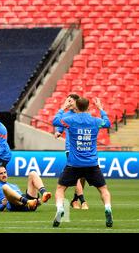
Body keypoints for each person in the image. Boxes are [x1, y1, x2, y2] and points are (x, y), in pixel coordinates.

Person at [52, 97, 113, 228]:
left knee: (60, 189)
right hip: (91, 163)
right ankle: (108, 208)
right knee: (103, 189)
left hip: (74, 164)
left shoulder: (70, 120)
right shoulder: (95, 121)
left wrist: (63, 107)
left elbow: (55, 121)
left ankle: (60, 209)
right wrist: (101, 108)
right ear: (89, 107)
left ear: (76, 107)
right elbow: (108, 123)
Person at [54, 93, 88, 210]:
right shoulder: (66, 115)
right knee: (77, 174)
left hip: (83, 148)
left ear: (76, 102)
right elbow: (60, 126)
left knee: (82, 176)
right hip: (71, 148)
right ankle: (83, 201)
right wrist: (58, 132)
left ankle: (74, 200)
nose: (67, 103)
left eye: (70, 101)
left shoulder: (83, 115)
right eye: (66, 101)